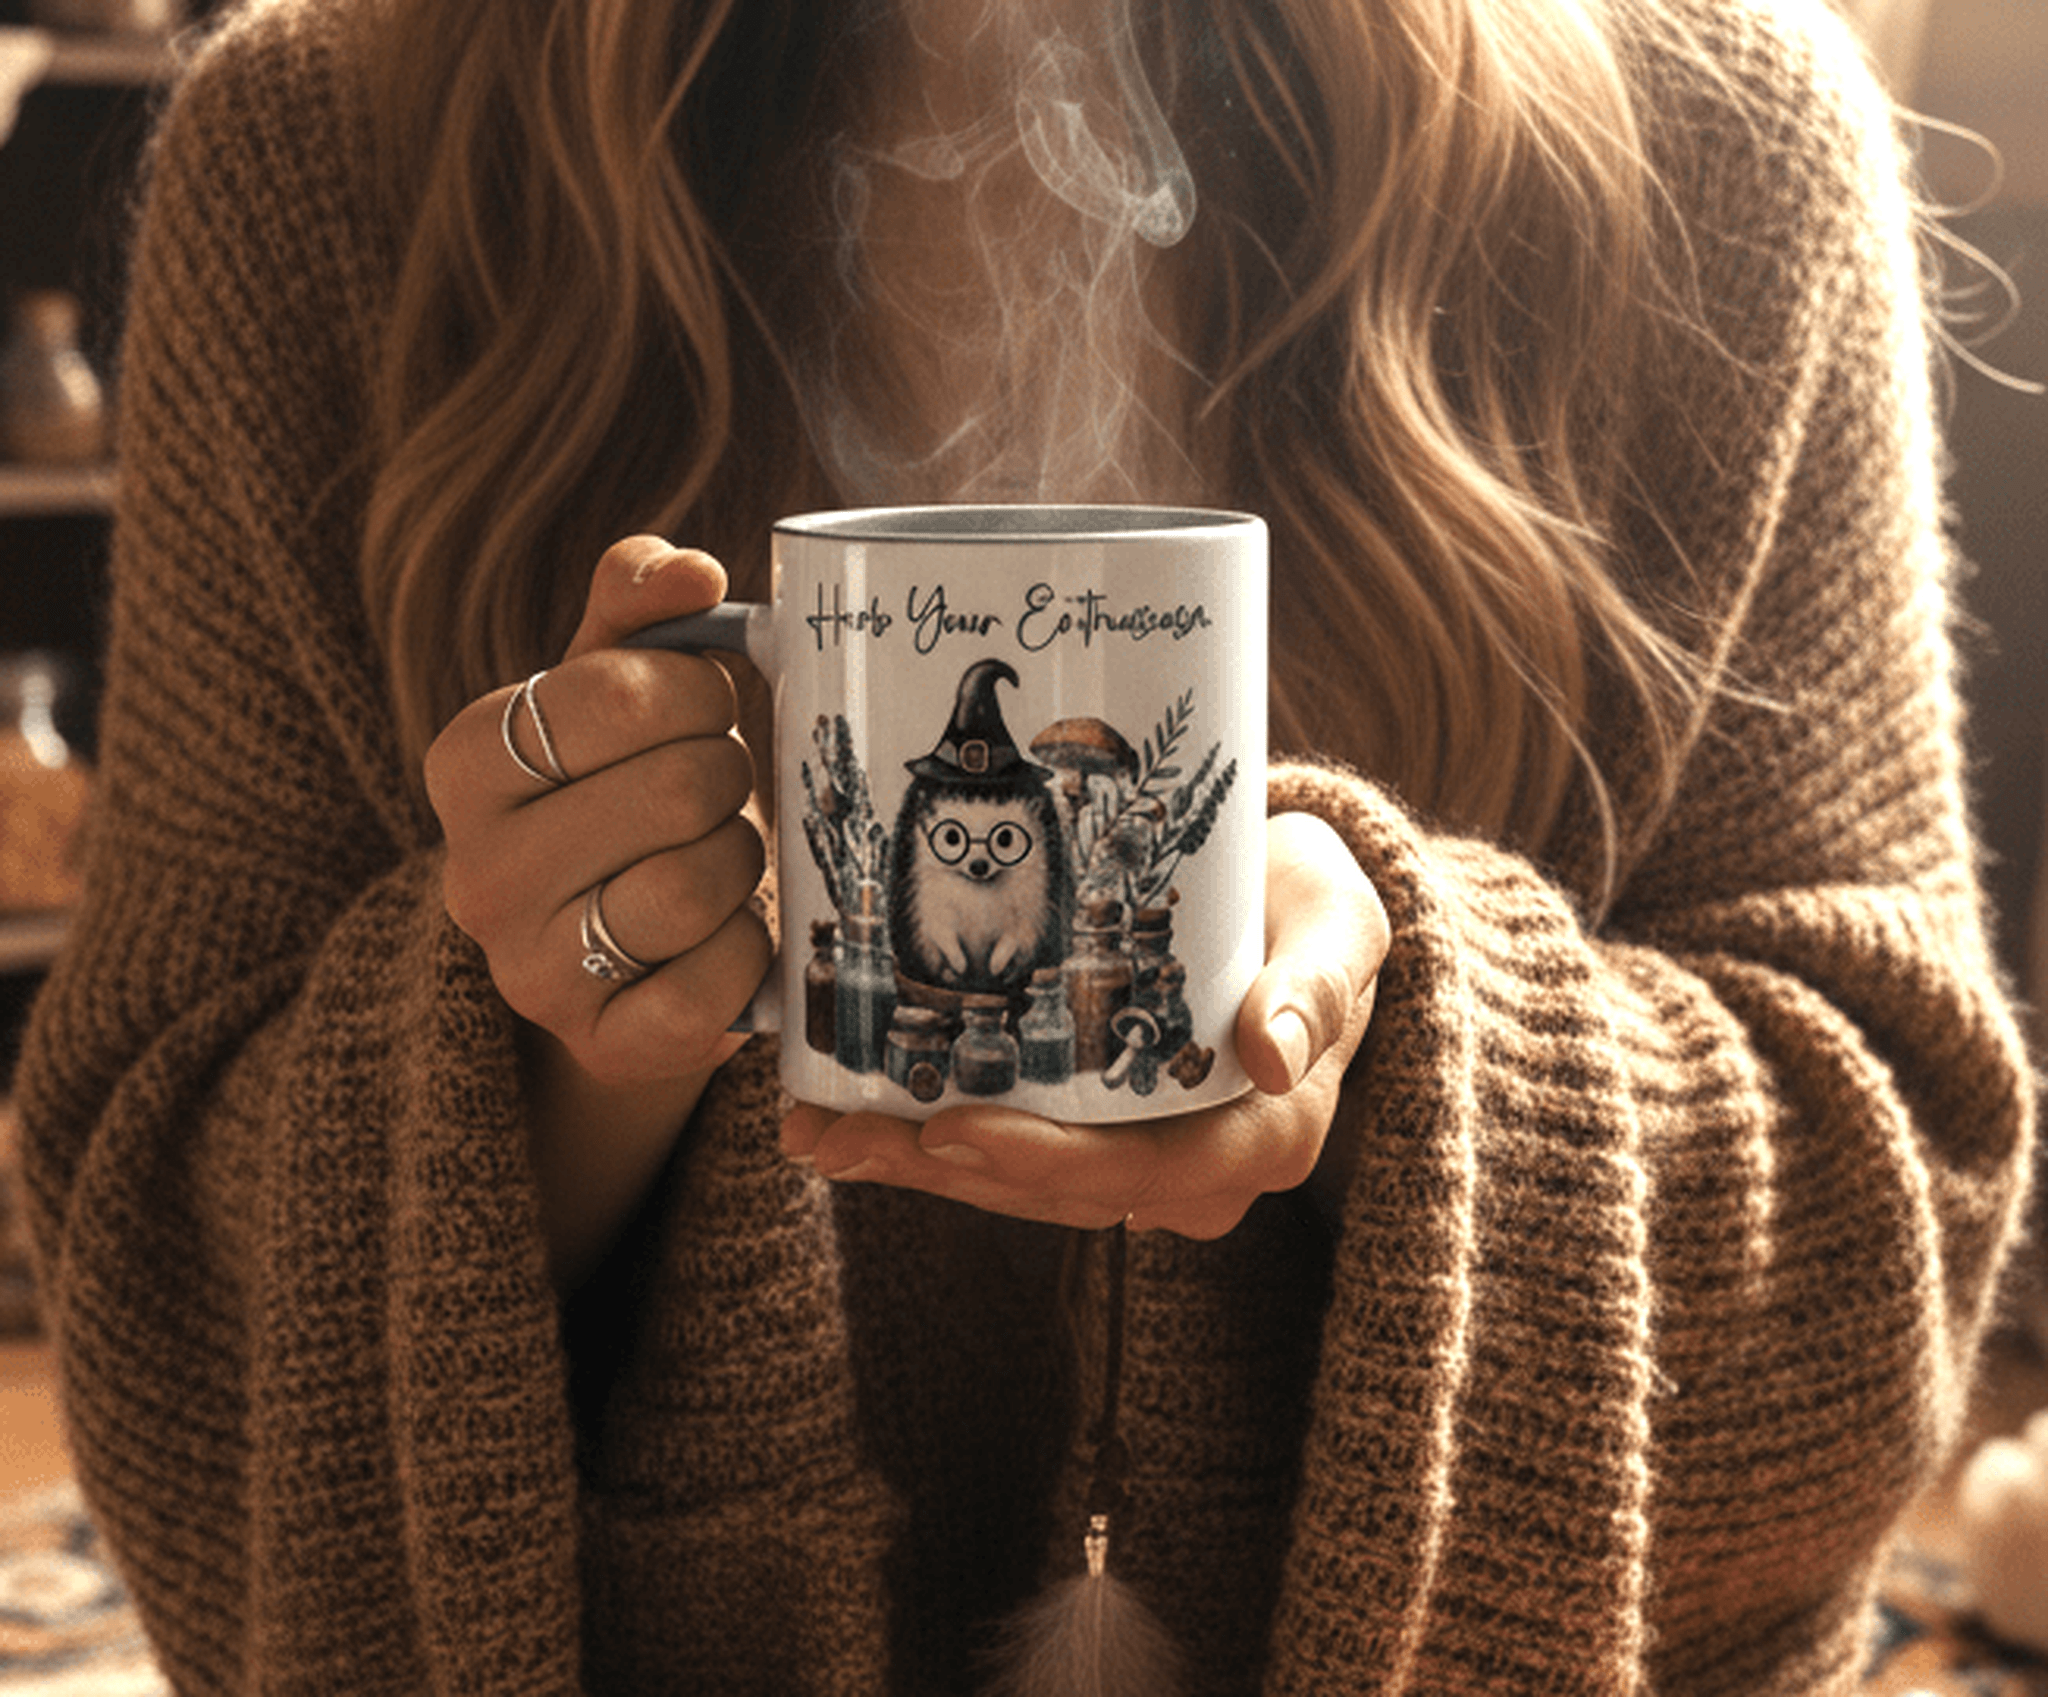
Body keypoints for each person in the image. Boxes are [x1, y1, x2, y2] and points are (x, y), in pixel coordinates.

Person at [12, 0, 2036, 1689]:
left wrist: (1411, 1034)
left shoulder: (1720, 143)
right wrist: (563, 1031)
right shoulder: (324, 153)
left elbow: (1886, 1235)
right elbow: (159, 1295)